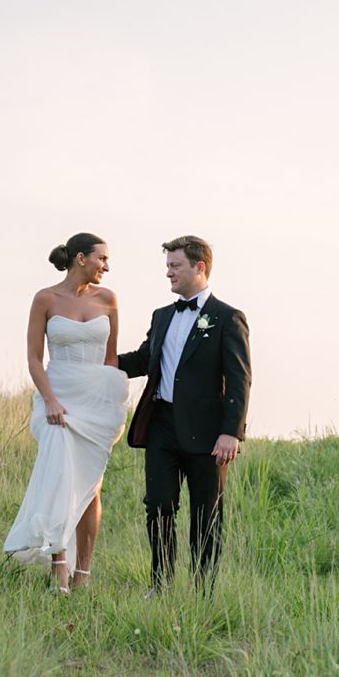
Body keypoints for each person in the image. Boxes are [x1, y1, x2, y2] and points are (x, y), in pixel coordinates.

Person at [115, 235, 252, 590]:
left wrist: (231, 432)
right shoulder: (162, 316)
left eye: (175, 266)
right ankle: (159, 585)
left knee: (207, 516)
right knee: (158, 506)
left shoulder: (226, 317)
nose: (169, 274)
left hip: (208, 435)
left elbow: (239, 379)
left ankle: (202, 590)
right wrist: (99, 363)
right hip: (161, 426)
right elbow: (145, 360)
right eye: (168, 267)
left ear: (199, 267)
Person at [2, 232, 133, 590]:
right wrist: (50, 400)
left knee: (91, 487)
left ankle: (83, 574)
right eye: (102, 259)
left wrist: (110, 404)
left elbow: (110, 358)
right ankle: (59, 563)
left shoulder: (108, 299)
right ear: (80, 258)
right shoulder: (45, 298)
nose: (107, 266)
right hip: (57, 397)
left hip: (96, 401)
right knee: (60, 478)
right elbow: (33, 358)